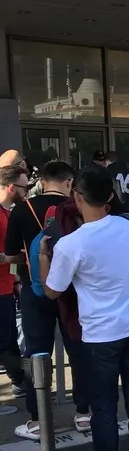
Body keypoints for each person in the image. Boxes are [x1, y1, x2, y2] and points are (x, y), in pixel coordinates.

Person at [41, 168, 129, 451]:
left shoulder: (71, 244)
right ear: (110, 196)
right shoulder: (128, 226)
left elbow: (52, 291)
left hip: (100, 336)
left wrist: (43, 253)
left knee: (104, 409)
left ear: (76, 197)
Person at [3, 159, 91, 440]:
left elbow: (13, 253)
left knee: (37, 353)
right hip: (72, 290)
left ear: (42, 181)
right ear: (69, 182)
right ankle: (84, 413)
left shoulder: (22, 209)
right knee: (78, 349)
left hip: (35, 289)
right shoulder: (78, 208)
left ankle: (38, 418)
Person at [0, 165, 28, 397]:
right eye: (23, 187)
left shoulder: (9, 212)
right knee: (6, 341)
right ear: (11, 188)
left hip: (7, 287)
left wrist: (16, 278)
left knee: (9, 338)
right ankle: (20, 381)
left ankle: (20, 381)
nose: (27, 191)